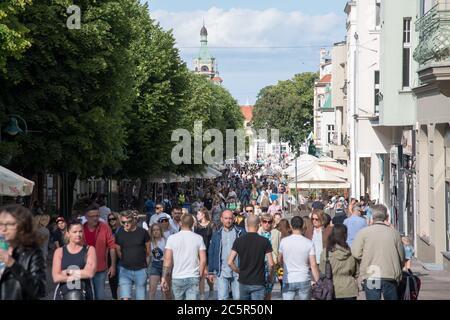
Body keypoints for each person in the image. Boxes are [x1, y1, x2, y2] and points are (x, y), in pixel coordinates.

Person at [351, 204, 405, 300]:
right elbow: (401, 256)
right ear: (387, 217)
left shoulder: (364, 232)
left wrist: (366, 258)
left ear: (372, 217)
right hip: (390, 273)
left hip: (372, 272)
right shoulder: (394, 233)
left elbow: (355, 253)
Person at [0, 204, 47, 300]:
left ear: (22, 227)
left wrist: (12, 263)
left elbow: (39, 290)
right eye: (0, 224)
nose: (3, 229)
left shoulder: (32, 254)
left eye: (9, 224)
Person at [227, 215, 274, 300]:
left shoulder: (239, 240)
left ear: (246, 225)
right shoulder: (264, 241)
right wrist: (270, 277)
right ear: (259, 224)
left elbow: (230, 262)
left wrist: (239, 271)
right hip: (259, 281)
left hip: (244, 281)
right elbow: (271, 263)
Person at [161, 214, 206, 300]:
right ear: (192, 224)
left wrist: (164, 277)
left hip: (177, 276)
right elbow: (203, 260)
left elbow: (167, 260)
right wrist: (199, 274)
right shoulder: (198, 238)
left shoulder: (172, 238)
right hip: (193, 276)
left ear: (180, 223)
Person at [52, 219, 97, 300]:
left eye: (80, 231)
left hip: (85, 293)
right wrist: (81, 273)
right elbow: (56, 277)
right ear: (68, 233)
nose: (78, 234)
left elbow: (89, 273)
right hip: (62, 293)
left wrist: (68, 271)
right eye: (75, 232)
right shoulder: (59, 251)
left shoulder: (89, 249)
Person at [278, 216, 320, 300]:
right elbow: (313, 265)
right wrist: (318, 281)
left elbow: (279, 259)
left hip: (288, 278)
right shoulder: (309, 243)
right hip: (304, 277)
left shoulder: (284, 241)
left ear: (290, 225)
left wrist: (282, 268)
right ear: (303, 225)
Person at [208, 210, 246, 300]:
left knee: (238, 297)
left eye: (230, 218)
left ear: (233, 219)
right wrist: (210, 271)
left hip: (237, 271)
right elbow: (212, 253)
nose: (228, 221)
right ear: (221, 219)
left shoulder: (241, 232)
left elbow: (246, 251)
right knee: (222, 297)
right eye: (226, 218)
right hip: (222, 271)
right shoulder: (216, 235)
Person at [82, 203, 116, 300]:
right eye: (92, 216)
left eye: (97, 215)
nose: (95, 218)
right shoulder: (81, 229)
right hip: (85, 267)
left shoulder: (105, 227)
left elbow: (112, 247)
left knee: (99, 295)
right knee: (87, 294)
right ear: (86, 217)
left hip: (100, 267)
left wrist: (112, 266)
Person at [115, 210, 150, 300]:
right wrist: (125, 259)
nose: (126, 224)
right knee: (125, 297)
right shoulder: (119, 233)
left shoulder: (143, 232)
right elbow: (118, 250)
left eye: (129, 221)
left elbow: (148, 251)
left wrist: (146, 267)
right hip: (125, 270)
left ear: (134, 220)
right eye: (123, 222)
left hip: (141, 270)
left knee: (140, 297)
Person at [320, 224, 359, 300]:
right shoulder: (351, 252)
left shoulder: (326, 252)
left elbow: (322, 270)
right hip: (349, 289)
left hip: (332, 289)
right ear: (345, 235)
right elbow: (356, 272)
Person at [194, 208, 216, 300]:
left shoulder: (212, 225)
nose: (197, 216)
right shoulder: (196, 226)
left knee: (208, 274)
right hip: (199, 252)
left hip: (209, 251)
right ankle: (202, 295)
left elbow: (215, 239)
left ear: (203, 215)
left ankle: (211, 289)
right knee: (202, 274)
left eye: (198, 214)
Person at [148, 223, 171, 300]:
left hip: (165, 265)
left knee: (165, 290)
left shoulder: (166, 240)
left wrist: (170, 268)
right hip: (155, 265)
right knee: (152, 289)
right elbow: (148, 256)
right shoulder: (150, 242)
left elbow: (170, 256)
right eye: (154, 230)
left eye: (157, 230)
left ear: (161, 231)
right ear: (151, 232)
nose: (156, 231)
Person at [106, 212, 121, 300]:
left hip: (120, 258)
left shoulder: (121, 230)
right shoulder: (108, 231)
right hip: (110, 258)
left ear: (117, 219)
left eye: (113, 219)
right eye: (110, 219)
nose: (112, 221)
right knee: (112, 280)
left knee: (120, 280)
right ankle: (114, 297)